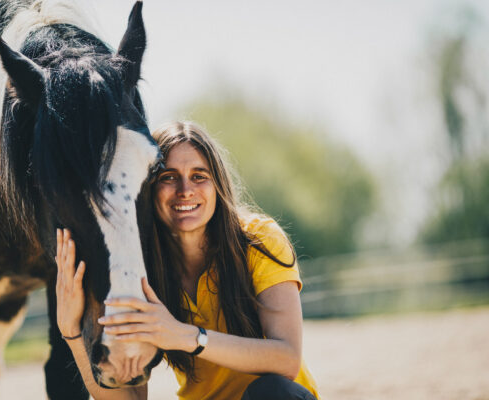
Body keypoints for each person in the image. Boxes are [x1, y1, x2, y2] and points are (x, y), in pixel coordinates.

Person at [55, 121, 319, 399]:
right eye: (168, 177)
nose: (185, 190)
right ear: (147, 188)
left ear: (217, 185)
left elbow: (287, 359)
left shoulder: (258, 239)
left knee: (272, 391)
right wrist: (71, 332)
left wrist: (184, 335)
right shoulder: (142, 276)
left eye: (199, 176)